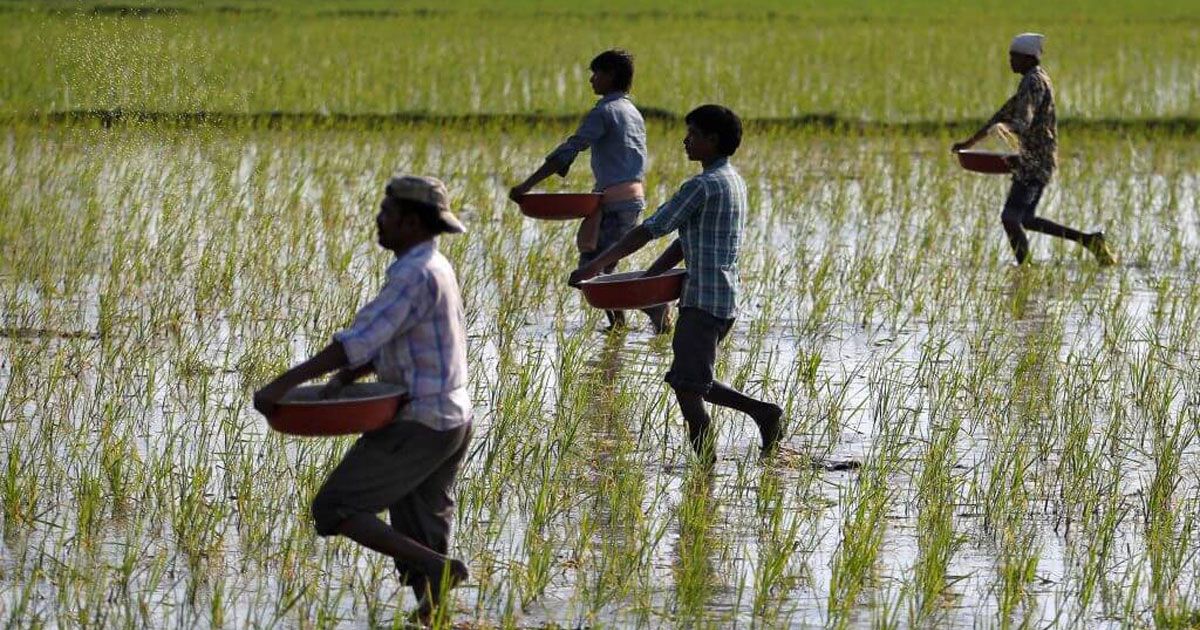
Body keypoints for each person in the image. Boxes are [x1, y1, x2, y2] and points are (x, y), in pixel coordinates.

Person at [253, 175, 472, 624]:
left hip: (420, 420)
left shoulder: (413, 275)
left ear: (410, 223)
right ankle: (435, 612)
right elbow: (390, 345)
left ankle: (438, 569)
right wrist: (347, 377)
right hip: (452, 417)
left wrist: (281, 386)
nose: (379, 220)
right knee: (420, 524)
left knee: (335, 507)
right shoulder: (435, 266)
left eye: (386, 213)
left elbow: (357, 340)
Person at [569, 105, 783, 465]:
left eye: (694, 134)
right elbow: (687, 240)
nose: (686, 140)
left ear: (712, 140)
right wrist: (648, 277)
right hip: (722, 297)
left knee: (688, 385)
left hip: (701, 301)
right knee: (693, 380)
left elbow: (648, 229)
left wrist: (594, 265)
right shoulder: (732, 180)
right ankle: (741, 432)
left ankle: (714, 457)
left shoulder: (701, 186)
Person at [509, 49, 669, 333]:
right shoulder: (632, 111)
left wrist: (527, 185)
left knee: (593, 266)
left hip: (617, 201)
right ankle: (620, 323)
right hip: (629, 198)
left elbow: (571, 148)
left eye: (597, 73)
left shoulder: (605, 111)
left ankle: (649, 306)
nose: (592, 80)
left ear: (611, 76)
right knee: (601, 265)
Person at [953, 33, 1117, 266]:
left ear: (1028, 58)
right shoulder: (1031, 80)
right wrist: (969, 143)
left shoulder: (1034, 82)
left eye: (1014, 57)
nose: (1010, 61)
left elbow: (1022, 120)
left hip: (1035, 162)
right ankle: (1089, 241)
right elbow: (1003, 114)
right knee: (1025, 219)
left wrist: (1006, 129)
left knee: (1011, 218)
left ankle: (1026, 269)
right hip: (1032, 160)